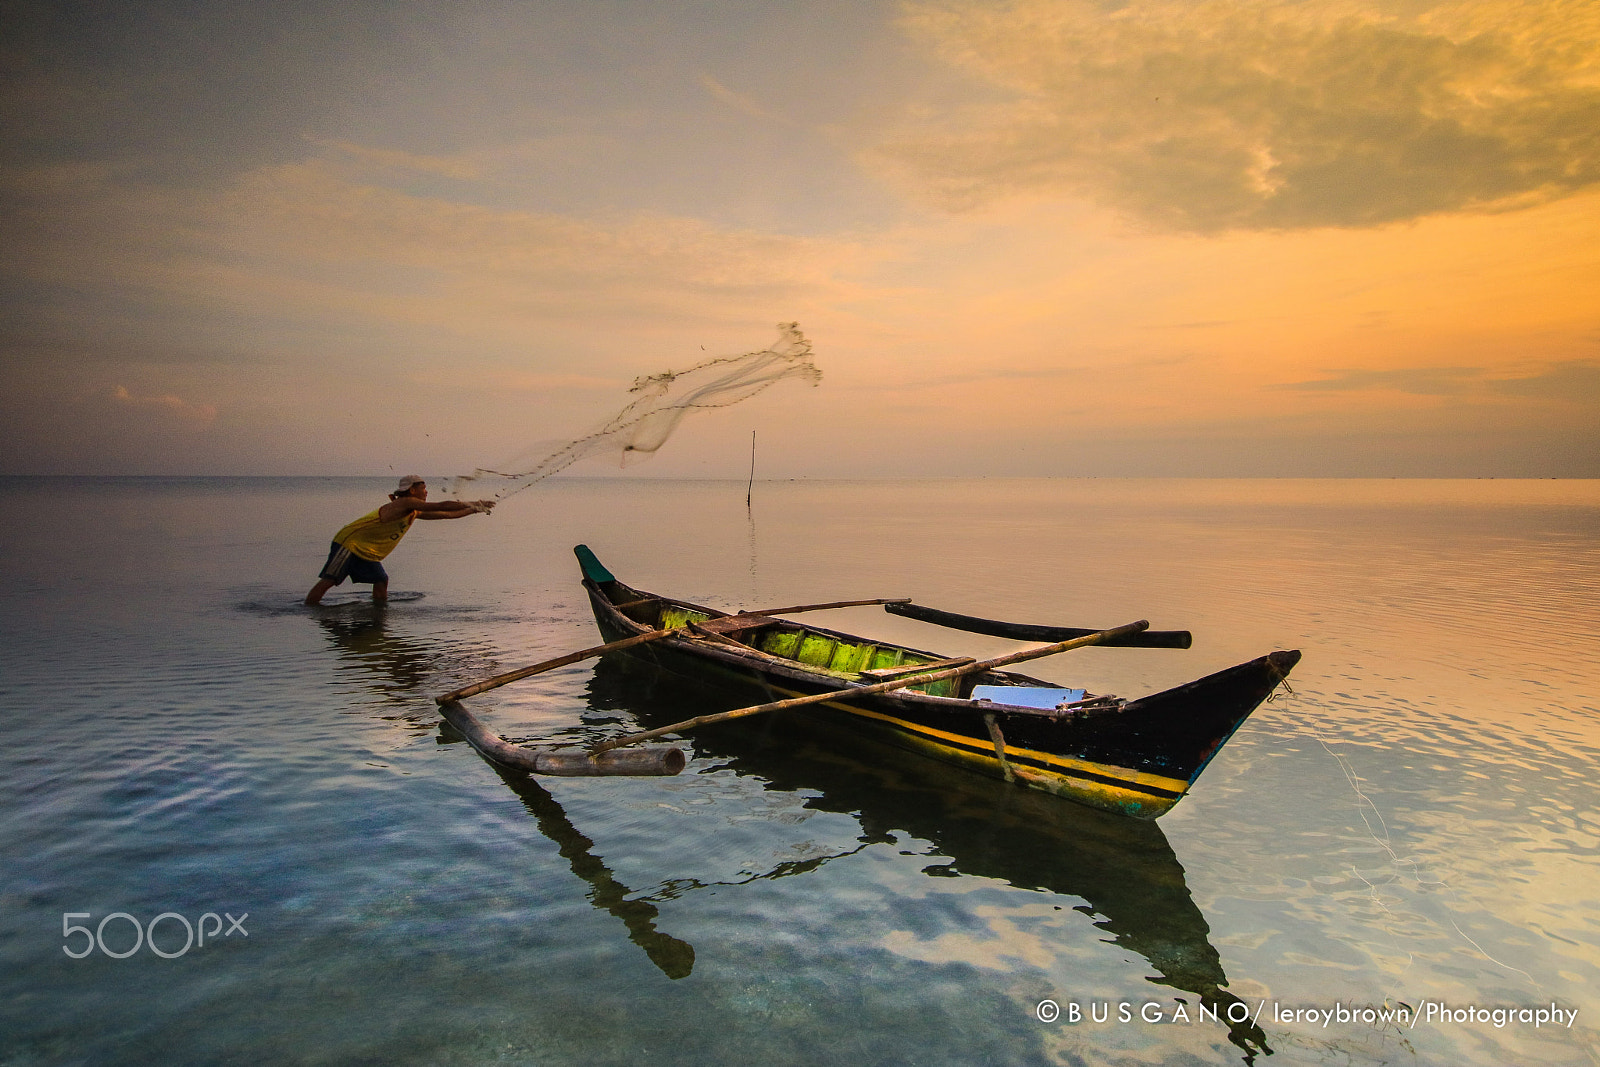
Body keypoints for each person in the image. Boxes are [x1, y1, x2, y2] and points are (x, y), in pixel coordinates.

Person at [304, 475, 495, 605]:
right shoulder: (404, 503)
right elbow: (442, 505)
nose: (426, 492)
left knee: (380, 579)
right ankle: (310, 610)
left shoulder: (414, 510)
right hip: (349, 543)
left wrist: (474, 510)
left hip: (366, 551)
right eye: (423, 488)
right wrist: (475, 503)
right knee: (330, 580)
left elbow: (446, 514)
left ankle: (379, 612)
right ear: (412, 491)